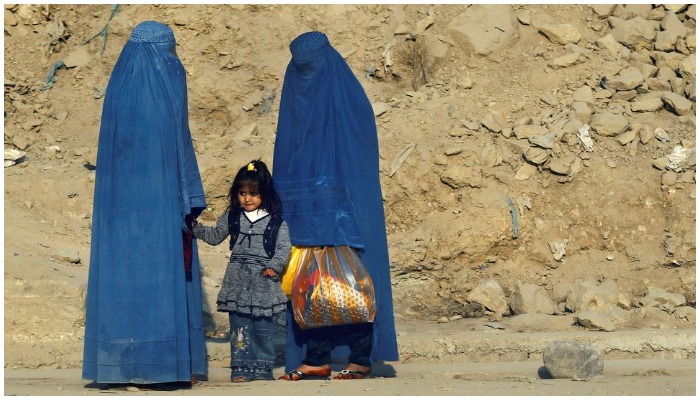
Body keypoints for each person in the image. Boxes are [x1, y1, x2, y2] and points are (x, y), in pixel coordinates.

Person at [82, 21, 208, 387]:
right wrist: (190, 198)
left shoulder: (119, 89)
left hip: (118, 215)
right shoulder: (167, 86)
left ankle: (117, 368)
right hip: (160, 209)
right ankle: (162, 367)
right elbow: (180, 149)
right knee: (160, 274)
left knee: (123, 278)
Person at [272, 31, 399, 381]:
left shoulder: (351, 103)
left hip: (349, 212)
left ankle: (359, 358)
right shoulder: (295, 96)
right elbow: (288, 156)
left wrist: (336, 207)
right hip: (308, 208)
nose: (305, 75)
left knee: (353, 282)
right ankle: (316, 357)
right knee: (312, 285)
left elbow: (357, 161)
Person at [191, 160, 291, 382]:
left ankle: (263, 367)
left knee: (263, 329)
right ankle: (241, 367)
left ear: (264, 193)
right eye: (242, 193)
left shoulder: (276, 223)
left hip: (263, 282)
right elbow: (215, 236)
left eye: (253, 193)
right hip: (237, 281)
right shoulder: (232, 217)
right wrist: (195, 228)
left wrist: (274, 266)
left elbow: (284, 248)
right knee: (239, 328)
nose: (247, 198)